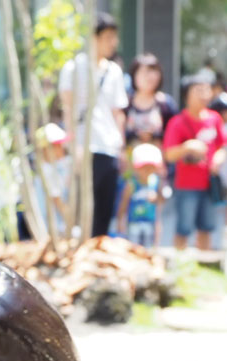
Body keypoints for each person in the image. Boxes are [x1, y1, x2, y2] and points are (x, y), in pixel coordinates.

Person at [59, 12, 129, 237]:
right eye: (108, 37)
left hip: (108, 145)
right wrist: (72, 145)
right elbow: (68, 109)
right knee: (81, 204)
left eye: (114, 37)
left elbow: (118, 112)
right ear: (94, 38)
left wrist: (122, 148)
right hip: (83, 145)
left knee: (105, 204)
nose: (113, 43)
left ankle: (98, 247)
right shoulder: (73, 68)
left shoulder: (114, 71)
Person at [163, 74, 227, 250]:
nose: (204, 94)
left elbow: (223, 146)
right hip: (186, 185)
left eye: (206, 89)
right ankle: (180, 264)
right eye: (198, 90)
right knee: (183, 229)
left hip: (209, 183)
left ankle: (204, 265)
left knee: (207, 227)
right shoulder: (177, 122)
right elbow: (169, 154)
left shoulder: (215, 118)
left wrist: (217, 160)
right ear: (187, 95)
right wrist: (187, 147)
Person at [124, 53, 177, 149]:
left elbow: (173, 135)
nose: (150, 77)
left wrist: (154, 135)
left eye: (154, 72)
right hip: (130, 159)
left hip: (158, 159)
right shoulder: (125, 103)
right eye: (145, 72)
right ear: (134, 75)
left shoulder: (166, 104)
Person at [118, 143, 164, 248]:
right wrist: (120, 223)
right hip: (134, 223)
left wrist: (156, 198)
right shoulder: (131, 184)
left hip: (150, 223)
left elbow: (160, 205)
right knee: (133, 247)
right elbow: (123, 205)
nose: (147, 171)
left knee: (148, 248)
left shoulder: (156, 183)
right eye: (144, 167)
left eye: (150, 167)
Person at [36, 123, 71, 231]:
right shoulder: (48, 171)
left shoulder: (52, 168)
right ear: (46, 149)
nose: (61, 149)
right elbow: (58, 201)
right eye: (57, 146)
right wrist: (71, 222)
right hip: (54, 228)